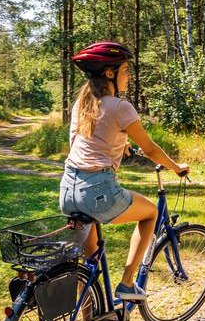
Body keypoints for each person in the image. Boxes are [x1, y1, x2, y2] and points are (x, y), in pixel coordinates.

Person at [61, 40, 189, 302]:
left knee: (90, 264)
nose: (128, 76)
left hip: (68, 191)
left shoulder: (81, 104)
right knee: (151, 213)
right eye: (125, 70)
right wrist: (177, 168)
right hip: (98, 192)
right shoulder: (120, 106)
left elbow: (80, 144)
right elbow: (151, 149)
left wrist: (119, 144)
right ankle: (128, 284)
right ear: (110, 73)